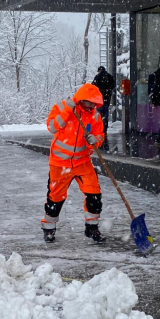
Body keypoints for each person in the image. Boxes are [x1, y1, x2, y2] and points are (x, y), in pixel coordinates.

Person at [41, 83, 106, 244]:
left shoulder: (95, 116)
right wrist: (68, 110)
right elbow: (52, 127)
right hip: (59, 163)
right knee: (55, 197)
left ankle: (92, 228)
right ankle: (49, 228)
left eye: (95, 102)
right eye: (90, 101)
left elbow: (100, 135)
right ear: (81, 99)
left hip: (82, 162)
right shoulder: (62, 107)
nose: (93, 105)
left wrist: (95, 140)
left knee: (94, 194)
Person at [91, 66, 115, 138]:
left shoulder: (97, 77)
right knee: (105, 114)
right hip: (107, 99)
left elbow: (93, 86)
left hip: (99, 100)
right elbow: (113, 86)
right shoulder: (110, 77)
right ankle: (104, 129)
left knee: (99, 115)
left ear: (99, 70)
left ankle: (100, 129)